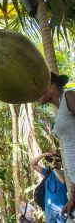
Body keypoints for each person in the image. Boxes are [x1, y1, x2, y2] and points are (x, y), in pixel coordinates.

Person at [39, 72, 75, 219]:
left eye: (39, 86)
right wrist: (72, 198)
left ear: (51, 84)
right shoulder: (61, 110)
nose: (36, 93)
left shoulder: (69, 96)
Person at [31, 152, 67, 222]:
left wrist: (53, 167)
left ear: (62, 163)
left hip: (62, 209)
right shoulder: (47, 173)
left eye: (58, 160)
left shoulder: (65, 173)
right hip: (49, 210)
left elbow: (63, 181)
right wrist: (43, 155)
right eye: (52, 160)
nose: (55, 162)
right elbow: (33, 164)